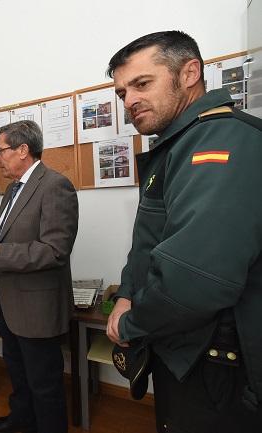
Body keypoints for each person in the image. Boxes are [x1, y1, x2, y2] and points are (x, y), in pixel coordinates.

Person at [105, 30, 262, 433]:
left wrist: (130, 323)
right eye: (122, 92)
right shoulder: (178, 144)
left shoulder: (222, 138)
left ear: (190, 72)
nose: (130, 101)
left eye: (142, 84)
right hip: (182, 348)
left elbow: (196, 279)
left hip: (216, 362)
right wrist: (125, 295)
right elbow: (148, 241)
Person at [0, 120, 78, 433]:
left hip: (37, 306)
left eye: (0, 151)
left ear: (23, 150)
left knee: (44, 383)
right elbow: (6, 234)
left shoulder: (55, 185)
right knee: (18, 372)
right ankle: (22, 420)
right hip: (9, 299)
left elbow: (55, 250)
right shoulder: (14, 188)